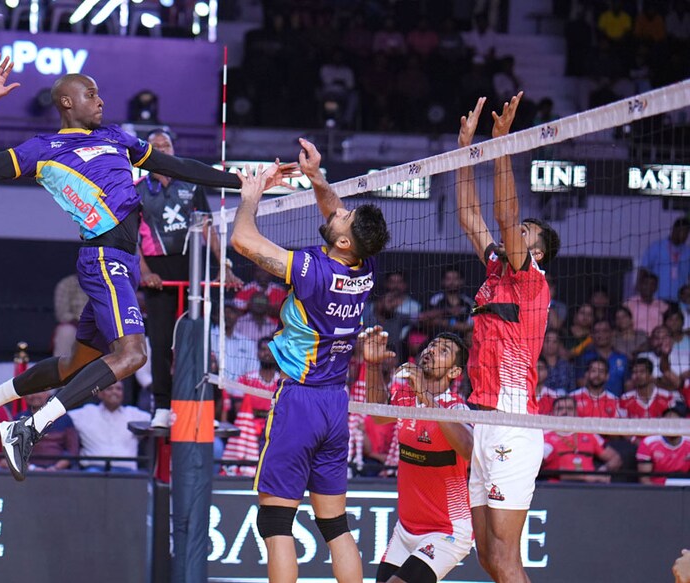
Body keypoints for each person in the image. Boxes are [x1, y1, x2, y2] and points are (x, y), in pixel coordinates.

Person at [0, 55, 294, 481]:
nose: (100, 101)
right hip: (103, 258)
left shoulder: (116, 137)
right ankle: (30, 426)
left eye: (99, 94)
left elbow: (177, 167)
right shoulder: (43, 149)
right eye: (90, 94)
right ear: (66, 102)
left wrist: (248, 181)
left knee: (74, 364)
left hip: (121, 262)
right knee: (133, 355)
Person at [229, 144, 390, 583]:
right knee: (335, 525)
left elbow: (243, 240)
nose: (339, 211)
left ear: (343, 242)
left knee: (275, 523)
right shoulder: (364, 267)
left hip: (299, 400)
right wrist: (316, 177)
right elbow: (334, 212)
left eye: (345, 218)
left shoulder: (313, 271)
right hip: (336, 404)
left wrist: (251, 196)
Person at [456, 94, 561, 583]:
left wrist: (500, 146)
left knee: (505, 558)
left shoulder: (529, 279)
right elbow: (469, 216)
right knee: (486, 556)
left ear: (534, 251)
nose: (515, 231)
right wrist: (464, 151)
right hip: (483, 418)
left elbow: (502, 214)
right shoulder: (497, 270)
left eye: (524, 231)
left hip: (512, 423)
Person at [136, 128, 240, 428]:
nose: (161, 150)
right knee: (160, 342)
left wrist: (224, 265)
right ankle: (161, 406)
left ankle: (202, 404)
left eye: (166, 145)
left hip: (192, 269)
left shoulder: (191, 185)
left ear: (173, 149)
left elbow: (208, 227)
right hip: (158, 273)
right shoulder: (137, 190)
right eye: (155, 146)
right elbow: (131, 239)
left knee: (197, 339)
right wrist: (145, 272)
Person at [361, 328, 474, 583]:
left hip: (446, 530)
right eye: (432, 345)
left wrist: (425, 394)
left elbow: (468, 448)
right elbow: (378, 415)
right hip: (406, 529)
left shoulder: (456, 407)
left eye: (443, 351)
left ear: (454, 372)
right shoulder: (405, 397)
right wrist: (373, 365)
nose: (432, 350)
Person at [66, 381, 150, 472]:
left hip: (127, 471)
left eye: (118, 389)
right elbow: (61, 418)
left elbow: (156, 422)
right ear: (100, 394)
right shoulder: (86, 413)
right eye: (109, 389)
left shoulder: (134, 414)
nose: (114, 392)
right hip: (93, 470)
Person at [541, 397, 622, 483]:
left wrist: (601, 472)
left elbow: (615, 458)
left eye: (570, 408)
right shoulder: (543, 437)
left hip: (589, 486)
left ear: (576, 412)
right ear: (552, 413)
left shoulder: (589, 434)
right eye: (560, 409)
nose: (565, 412)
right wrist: (587, 477)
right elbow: (546, 468)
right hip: (557, 486)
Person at [16, 390, 79, 471]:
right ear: (24, 396)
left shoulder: (63, 418)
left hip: (59, 471)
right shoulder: (18, 419)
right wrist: (32, 468)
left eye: (39, 391)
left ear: (48, 393)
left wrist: (55, 468)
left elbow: (73, 451)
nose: (34, 395)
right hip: (27, 471)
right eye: (30, 392)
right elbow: (14, 452)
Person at [574, 320, 630, 396]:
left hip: (616, 402)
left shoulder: (623, 358)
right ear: (592, 335)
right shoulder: (584, 358)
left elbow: (628, 385)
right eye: (597, 332)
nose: (601, 335)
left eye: (605, 331)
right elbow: (581, 383)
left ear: (612, 333)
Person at [641, 217, 690, 304]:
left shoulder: (688, 251)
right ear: (675, 230)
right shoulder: (657, 247)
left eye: (687, 233)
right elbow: (643, 270)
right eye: (684, 232)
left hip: (680, 301)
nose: (686, 236)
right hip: (657, 299)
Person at [637, 406, 690, 485]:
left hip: (685, 486)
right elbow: (645, 479)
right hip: (659, 488)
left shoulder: (688, 442)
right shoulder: (648, 443)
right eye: (667, 423)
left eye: (675, 423)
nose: (671, 426)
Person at [423, 267, 475, 337]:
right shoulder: (435, 299)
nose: (452, 282)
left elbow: (469, 326)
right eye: (448, 279)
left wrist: (443, 322)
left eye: (455, 279)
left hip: (460, 340)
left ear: (462, 281)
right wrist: (447, 311)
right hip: (436, 338)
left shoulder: (468, 303)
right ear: (442, 281)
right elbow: (423, 318)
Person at [52, 274, 89, 358]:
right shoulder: (66, 284)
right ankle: (61, 364)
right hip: (77, 325)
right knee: (66, 332)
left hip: (101, 326)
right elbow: (62, 314)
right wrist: (82, 323)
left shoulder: (108, 283)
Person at [625, 270, 670, 335]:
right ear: (640, 285)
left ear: (656, 287)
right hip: (636, 339)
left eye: (652, 284)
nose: (649, 287)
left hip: (658, 339)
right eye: (646, 283)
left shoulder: (663, 306)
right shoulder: (629, 304)